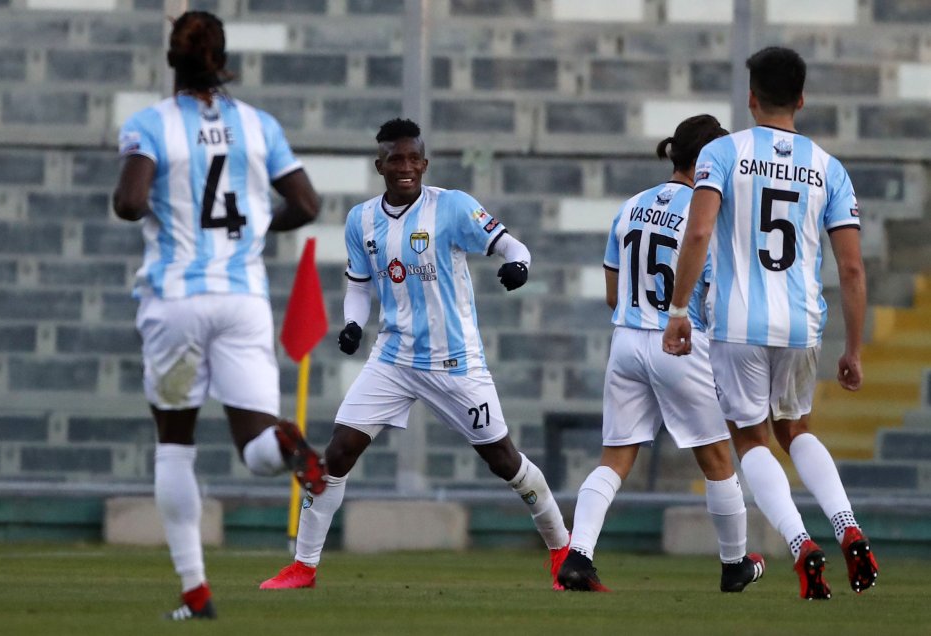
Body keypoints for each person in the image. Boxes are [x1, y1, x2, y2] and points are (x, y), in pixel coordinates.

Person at [259, 117, 571, 590]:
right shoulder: (360, 220)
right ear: (379, 164)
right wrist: (351, 323)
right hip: (393, 358)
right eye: (395, 159)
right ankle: (303, 566)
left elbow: (513, 245)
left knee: (504, 460)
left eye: (412, 159)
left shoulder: (453, 207)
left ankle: (562, 550)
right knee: (339, 452)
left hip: (454, 359)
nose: (405, 167)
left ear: (424, 163)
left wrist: (519, 266)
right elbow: (359, 286)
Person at [113, 11, 327, 620]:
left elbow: (129, 203)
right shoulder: (258, 126)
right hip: (242, 300)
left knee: (175, 445)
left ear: (171, 61)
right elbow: (306, 203)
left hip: (177, 301)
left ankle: (195, 591)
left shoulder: (151, 124)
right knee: (256, 443)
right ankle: (285, 441)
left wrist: (146, 198)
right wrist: (258, 226)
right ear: (223, 58)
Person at [663, 46, 879, 600]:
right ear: (802, 99)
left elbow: (699, 233)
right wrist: (853, 348)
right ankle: (847, 525)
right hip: (801, 325)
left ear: (751, 97)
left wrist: (681, 309)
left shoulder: (722, 152)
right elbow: (852, 268)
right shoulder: (829, 168)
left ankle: (801, 543)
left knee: (751, 437)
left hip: (737, 323)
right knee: (797, 428)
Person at [556, 115, 764, 593]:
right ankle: (735, 564)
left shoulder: (631, 206)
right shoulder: (709, 213)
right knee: (716, 457)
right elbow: (717, 292)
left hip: (626, 340)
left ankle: (579, 555)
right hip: (680, 340)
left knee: (614, 459)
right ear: (709, 159)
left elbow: (613, 291)